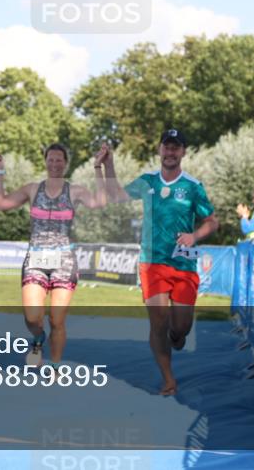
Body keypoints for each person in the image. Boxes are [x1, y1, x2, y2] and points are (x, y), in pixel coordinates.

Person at [106, 128, 219, 396]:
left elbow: (212, 221)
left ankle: (176, 336)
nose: (170, 152)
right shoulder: (147, 182)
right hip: (152, 262)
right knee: (158, 321)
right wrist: (108, 163)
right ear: (159, 150)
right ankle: (168, 378)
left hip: (183, 265)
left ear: (183, 152)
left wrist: (194, 235)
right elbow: (116, 195)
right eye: (166, 147)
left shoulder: (193, 186)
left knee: (180, 327)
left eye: (175, 147)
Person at [0, 142, 110, 368]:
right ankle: (37, 337)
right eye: (51, 159)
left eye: (59, 160)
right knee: (32, 317)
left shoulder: (75, 191)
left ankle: (54, 365)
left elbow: (101, 202)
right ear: (45, 162)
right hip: (35, 258)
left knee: (57, 319)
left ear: (66, 163)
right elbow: (0, 203)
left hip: (64, 260)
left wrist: (97, 168)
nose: (55, 164)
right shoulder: (33, 189)